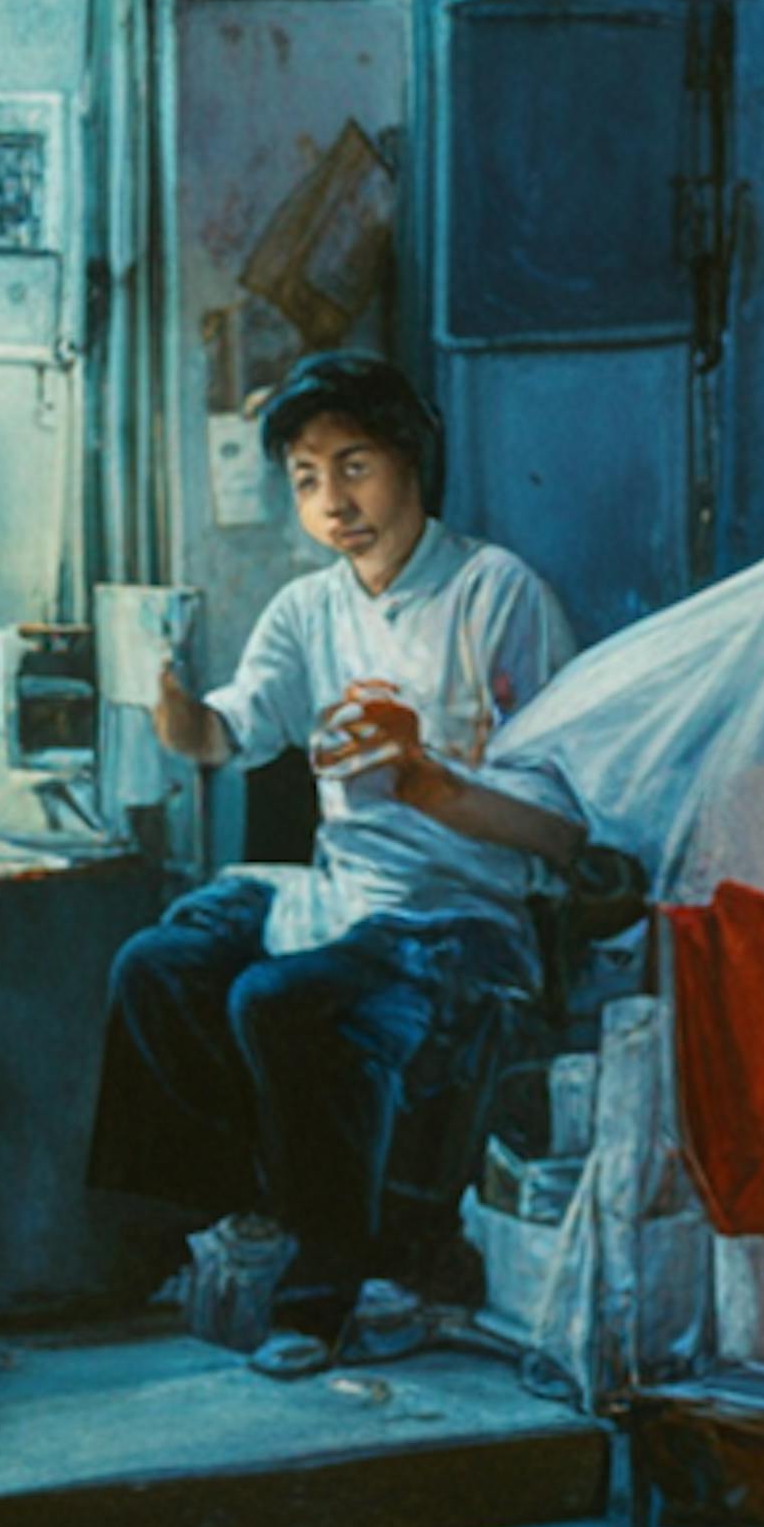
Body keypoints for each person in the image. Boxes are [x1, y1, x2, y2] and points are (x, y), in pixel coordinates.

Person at [86, 349, 582, 1370]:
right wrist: (173, 706)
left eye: (354, 466)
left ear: (412, 461)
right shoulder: (309, 610)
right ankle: (246, 1212)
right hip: (345, 900)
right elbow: (230, 731)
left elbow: (565, 823)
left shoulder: (498, 594)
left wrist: (432, 781)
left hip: (463, 917)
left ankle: (324, 1287)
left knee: (275, 1000)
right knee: (155, 966)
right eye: (307, 480)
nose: (332, 501)